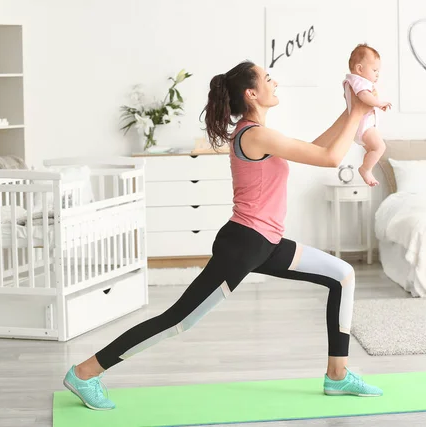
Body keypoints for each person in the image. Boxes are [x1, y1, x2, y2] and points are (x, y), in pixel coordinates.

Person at [62, 60, 383, 411]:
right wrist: (359, 109)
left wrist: (351, 109)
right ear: (252, 93)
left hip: (267, 243)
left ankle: (337, 376)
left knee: (342, 275)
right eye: (267, 79)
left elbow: (317, 148)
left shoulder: (259, 132)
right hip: (244, 245)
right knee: (178, 321)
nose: (274, 83)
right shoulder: (253, 134)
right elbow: (330, 157)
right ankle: (85, 372)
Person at [343, 43, 391, 187]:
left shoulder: (351, 82)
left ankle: (366, 168)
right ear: (359, 69)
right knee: (380, 147)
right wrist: (378, 103)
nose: (377, 74)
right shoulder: (359, 82)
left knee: (372, 149)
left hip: (359, 127)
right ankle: (365, 169)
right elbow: (363, 96)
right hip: (364, 127)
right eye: (375, 70)